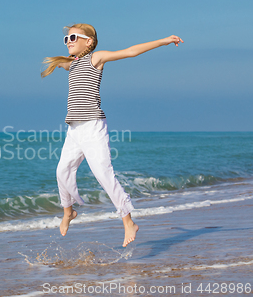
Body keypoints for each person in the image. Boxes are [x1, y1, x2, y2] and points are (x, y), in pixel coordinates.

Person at [41, 23, 183, 247]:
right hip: (74, 129)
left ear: (88, 41)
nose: (68, 41)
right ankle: (68, 212)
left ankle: (128, 220)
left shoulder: (96, 58)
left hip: (93, 127)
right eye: (66, 39)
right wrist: (59, 63)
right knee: (61, 171)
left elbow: (130, 51)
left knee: (103, 175)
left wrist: (163, 40)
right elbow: (66, 65)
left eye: (73, 37)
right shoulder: (73, 65)